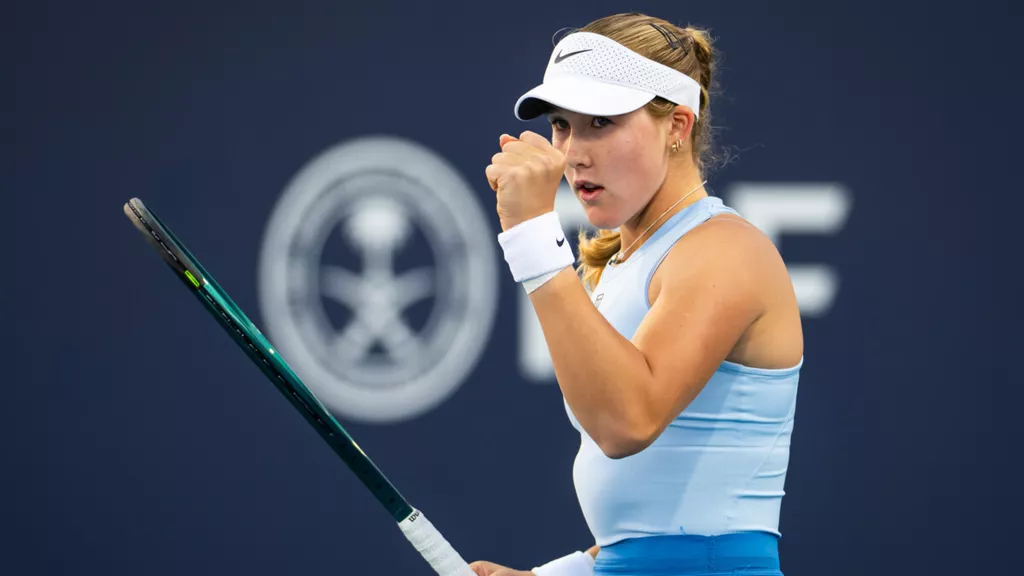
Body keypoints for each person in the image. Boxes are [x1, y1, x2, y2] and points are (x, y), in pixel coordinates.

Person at [473, 11, 804, 576]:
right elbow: (653, 526)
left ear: (677, 125)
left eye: (601, 122)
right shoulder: (624, 264)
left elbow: (626, 423)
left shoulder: (726, 249)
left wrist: (532, 237)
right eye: (562, 124)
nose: (573, 153)